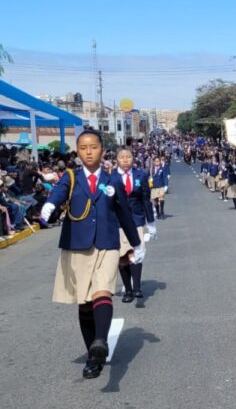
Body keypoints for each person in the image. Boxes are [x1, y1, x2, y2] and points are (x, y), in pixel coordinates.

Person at [40, 130, 143, 379]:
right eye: (83, 147)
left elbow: (124, 215)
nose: (88, 151)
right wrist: (49, 205)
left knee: (102, 290)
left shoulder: (112, 180)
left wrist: (137, 244)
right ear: (78, 151)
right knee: (85, 303)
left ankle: (100, 341)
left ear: (102, 150)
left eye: (93, 147)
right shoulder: (71, 177)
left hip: (107, 244)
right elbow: (58, 193)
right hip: (77, 245)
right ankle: (93, 356)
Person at [115, 147, 156, 303]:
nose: (125, 160)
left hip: (136, 219)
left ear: (133, 159)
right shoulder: (110, 177)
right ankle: (128, 289)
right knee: (122, 256)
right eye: (121, 157)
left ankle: (137, 288)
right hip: (118, 222)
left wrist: (150, 222)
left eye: (128, 157)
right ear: (116, 160)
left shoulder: (141, 175)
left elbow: (145, 199)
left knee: (136, 254)